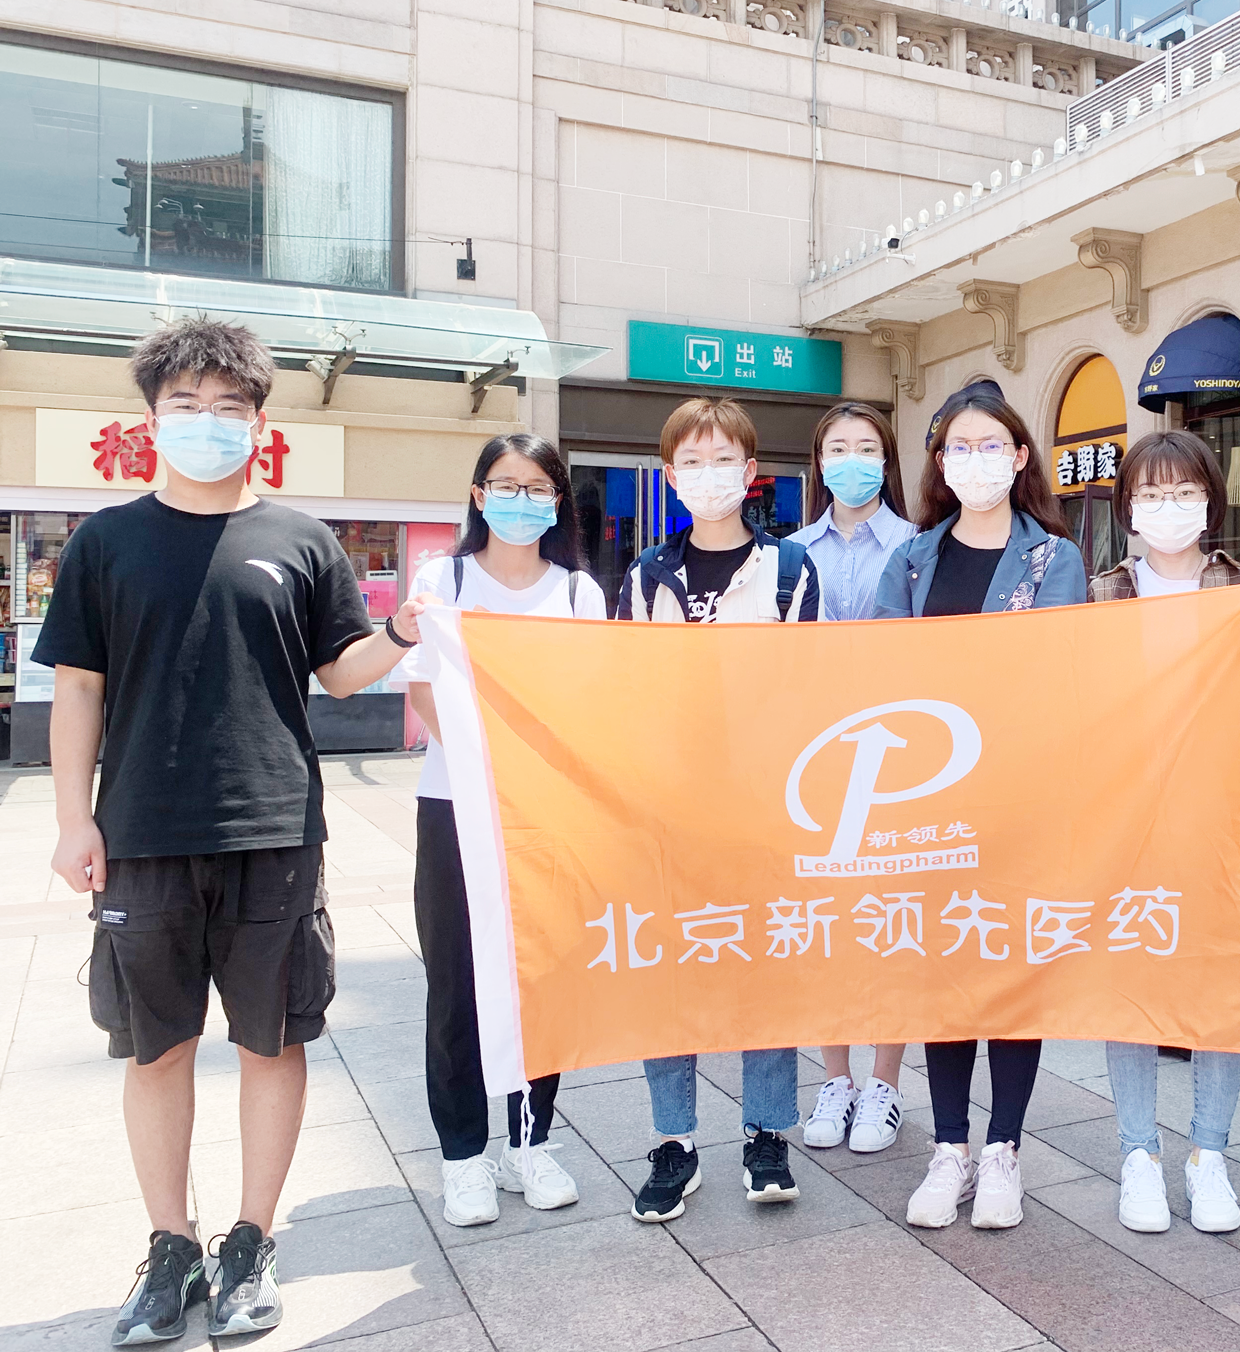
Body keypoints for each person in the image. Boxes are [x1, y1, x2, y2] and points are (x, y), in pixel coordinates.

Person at [35, 319, 431, 1345]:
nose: (206, 421)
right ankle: (170, 1247)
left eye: (227, 406)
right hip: (142, 835)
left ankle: (251, 1242)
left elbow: (339, 671)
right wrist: (74, 818)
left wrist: (401, 631)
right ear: (151, 417)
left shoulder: (301, 540)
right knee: (156, 1049)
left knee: (273, 1039)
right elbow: (77, 688)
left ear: (259, 421)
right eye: (185, 404)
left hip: (275, 830)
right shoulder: (105, 542)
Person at [874, 380, 1086, 1230]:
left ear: (1020, 455)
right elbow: (877, 673)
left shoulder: (1054, 559)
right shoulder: (912, 559)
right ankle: (949, 1147)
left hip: (1019, 794)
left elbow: (1059, 674)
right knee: (946, 971)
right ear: (939, 462)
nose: (975, 460)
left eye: (990, 445)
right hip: (930, 794)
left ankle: (1004, 1150)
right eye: (958, 448)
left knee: (1012, 971)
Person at [614, 397, 821, 1223]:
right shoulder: (645, 575)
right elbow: (625, 690)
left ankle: (766, 1134)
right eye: (692, 462)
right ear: (671, 477)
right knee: (669, 971)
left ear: (751, 471)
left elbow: (807, 691)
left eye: (723, 460)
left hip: (763, 808)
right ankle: (674, 1141)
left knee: (763, 966)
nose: (709, 476)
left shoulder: (790, 569)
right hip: (668, 808)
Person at [1086, 430, 1240, 1236]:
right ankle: (1138, 1154)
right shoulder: (1101, 595)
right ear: (1127, 507)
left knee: (1217, 991)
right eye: (1151, 493)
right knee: (1129, 991)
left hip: (1221, 827)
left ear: (1211, 500)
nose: (1167, 507)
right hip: (1126, 828)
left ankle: (1209, 1155)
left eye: (1183, 492)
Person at [404, 435, 607, 1227]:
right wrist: (485, 762)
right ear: (479, 495)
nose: (522, 500)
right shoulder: (443, 580)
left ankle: (530, 1143)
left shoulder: (579, 592)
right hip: (456, 803)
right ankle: (463, 1157)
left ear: (558, 500)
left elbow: (593, 700)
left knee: (539, 978)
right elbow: (423, 689)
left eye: (538, 487)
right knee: (456, 984)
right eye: (506, 485)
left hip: (547, 811)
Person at [791, 401, 920, 1155]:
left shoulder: (918, 545)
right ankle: (835, 1078)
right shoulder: (787, 552)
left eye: (866, 448)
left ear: (886, 460)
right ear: (818, 461)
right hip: (813, 758)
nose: (851, 460)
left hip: (896, 755)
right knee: (826, 922)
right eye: (837, 448)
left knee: (891, 919)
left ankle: (884, 1084)